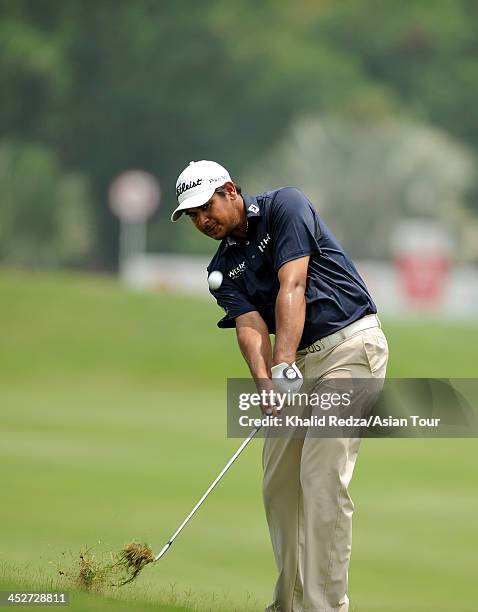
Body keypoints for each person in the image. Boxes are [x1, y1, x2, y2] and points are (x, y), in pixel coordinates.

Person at [171, 160, 389, 612]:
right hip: (299, 368)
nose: (201, 220)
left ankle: (324, 607)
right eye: (192, 215)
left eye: (204, 207)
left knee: (321, 478)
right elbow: (249, 324)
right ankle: (287, 604)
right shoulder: (222, 268)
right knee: (279, 483)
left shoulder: (285, 207)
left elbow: (293, 283)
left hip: (350, 348)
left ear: (230, 191)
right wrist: (266, 381)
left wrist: (284, 360)